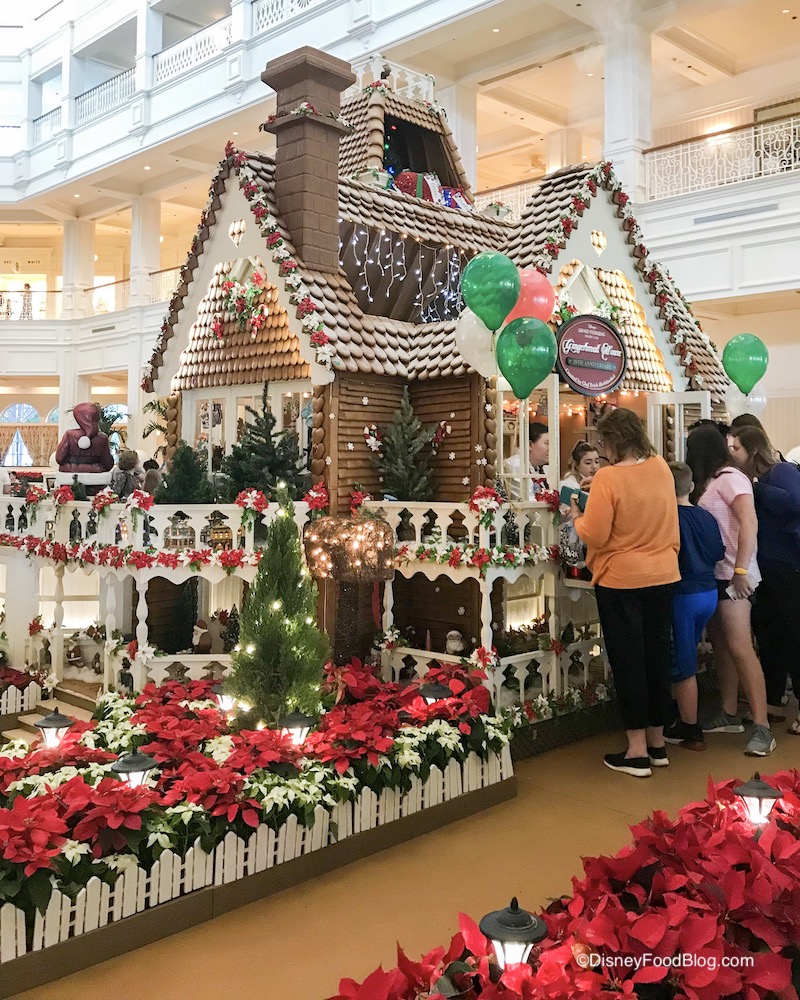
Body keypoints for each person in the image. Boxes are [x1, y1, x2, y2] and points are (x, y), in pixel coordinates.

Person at [571, 408, 679, 778]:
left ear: (615, 440)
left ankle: (636, 752)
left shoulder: (608, 477)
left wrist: (577, 517)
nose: (602, 450)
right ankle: (657, 743)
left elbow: (597, 534)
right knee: (657, 657)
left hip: (622, 579)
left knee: (629, 661)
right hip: (663, 573)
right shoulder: (661, 467)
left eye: (604, 443)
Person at [686, 424, 775, 756]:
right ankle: (729, 711)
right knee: (722, 646)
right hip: (716, 574)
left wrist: (740, 570)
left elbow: (749, 523)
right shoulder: (714, 480)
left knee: (740, 647)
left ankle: (762, 726)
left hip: (734, 575)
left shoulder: (731, 478)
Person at [730, 424, 800, 733]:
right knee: (770, 636)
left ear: (752, 450)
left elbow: (794, 503)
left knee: (794, 635)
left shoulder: (781, 471)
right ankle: (772, 700)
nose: (732, 454)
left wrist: (755, 487)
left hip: (788, 567)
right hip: (765, 570)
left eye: (736, 448)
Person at [664, 462, 724, 751]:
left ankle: (690, 728)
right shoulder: (705, 516)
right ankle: (679, 716)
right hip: (709, 591)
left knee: (683, 661)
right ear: (691, 486)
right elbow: (718, 552)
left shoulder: (669, 518)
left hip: (682, 594)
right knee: (685, 654)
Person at [504, 422, 549, 500]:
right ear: (530, 445)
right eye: (546, 443)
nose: (550, 448)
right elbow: (526, 501)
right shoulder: (515, 465)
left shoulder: (543, 469)